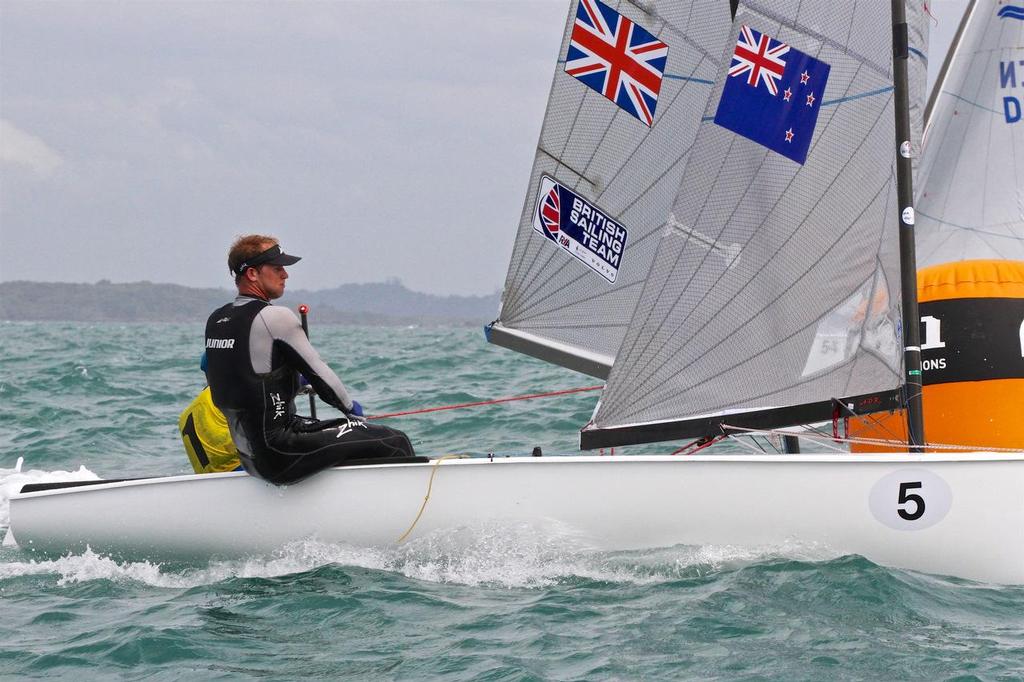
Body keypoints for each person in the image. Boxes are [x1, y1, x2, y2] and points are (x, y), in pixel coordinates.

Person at [204, 234, 415, 485]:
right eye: (277, 268)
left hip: (250, 458)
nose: (285, 275)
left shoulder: (216, 320)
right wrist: (352, 411)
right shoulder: (274, 317)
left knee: (341, 436)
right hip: (282, 451)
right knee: (394, 441)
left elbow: (244, 378)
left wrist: (295, 381)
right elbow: (322, 375)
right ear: (252, 274)